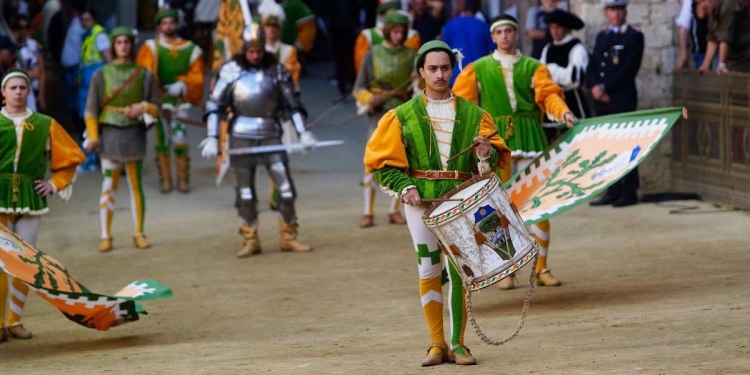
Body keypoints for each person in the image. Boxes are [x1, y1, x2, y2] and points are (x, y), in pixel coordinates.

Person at [364, 40, 511, 366]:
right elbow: (381, 164)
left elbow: (494, 162)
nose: (440, 74)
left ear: (452, 69)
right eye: (433, 68)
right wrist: (405, 187)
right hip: (421, 205)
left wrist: (486, 153)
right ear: (421, 72)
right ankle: (435, 343)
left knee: (459, 271)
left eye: (445, 68)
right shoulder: (400, 116)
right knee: (428, 268)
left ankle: (458, 344)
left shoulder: (475, 114)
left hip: (461, 203)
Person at [453, 15, 577, 289]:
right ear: (493, 37)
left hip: (531, 136)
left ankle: (542, 267)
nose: (505, 36)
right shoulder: (478, 68)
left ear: (516, 34)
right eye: (500, 32)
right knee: (496, 206)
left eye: (510, 31)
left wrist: (563, 112)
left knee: (540, 203)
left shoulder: (534, 67)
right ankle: (507, 269)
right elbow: (463, 106)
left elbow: (548, 95)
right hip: (495, 142)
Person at [200, 23, 316, 258]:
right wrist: (212, 137)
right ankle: (250, 239)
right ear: (244, 49)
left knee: (286, 190)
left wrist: (302, 132)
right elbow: (215, 105)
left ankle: (288, 237)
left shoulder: (277, 70)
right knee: (245, 193)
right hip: (241, 135)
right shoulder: (231, 70)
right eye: (251, 51)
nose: (255, 55)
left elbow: (291, 104)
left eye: (258, 51)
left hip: (271, 134)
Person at [0, 70, 85, 343]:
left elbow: (68, 158)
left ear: (29, 91)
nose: (17, 91)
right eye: (12, 87)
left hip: (30, 196)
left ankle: (15, 321)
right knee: (0, 264)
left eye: (22, 87)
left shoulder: (45, 123)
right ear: (3, 92)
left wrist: (55, 183)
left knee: (26, 262)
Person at [83, 26, 161, 252]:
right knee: (109, 184)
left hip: (134, 133)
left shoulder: (144, 74)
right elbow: (91, 110)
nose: (123, 46)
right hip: (109, 132)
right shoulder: (101, 74)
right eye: (119, 42)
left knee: (136, 185)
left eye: (127, 42)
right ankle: (105, 234)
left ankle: (139, 232)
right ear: (113, 45)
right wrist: (94, 136)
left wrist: (144, 106)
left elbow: (157, 107)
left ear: (132, 45)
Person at [353, 11, 414, 228]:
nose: (399, 36)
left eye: (402, 32)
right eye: (395, 32)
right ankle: (367, 212)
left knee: (402, 161)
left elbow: (416, 88)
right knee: (372, 161)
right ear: (388, 31)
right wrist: (369, 98)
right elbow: (358, 87)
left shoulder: (411, 55)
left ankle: (394, 209)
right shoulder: (372, 54)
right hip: (378, 114)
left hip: (402, 112)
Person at [137, 8, 205, 194]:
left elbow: (197, 75)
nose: (168, 26)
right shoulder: (152, 48)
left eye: (172, 22)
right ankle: (165, 179)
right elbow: (144, 74)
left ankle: (183, 179)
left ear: (178, 24)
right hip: (158, 102)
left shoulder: (191, 50)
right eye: (165, 23)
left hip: (179, 102)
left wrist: (184, 83)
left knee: (179, 139)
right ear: (160, 26)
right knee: (161, 140)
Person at [587, 0, 644, 207]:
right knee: (608, 146)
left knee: (626, 144)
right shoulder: (603, 36)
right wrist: (594, 86)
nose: (616, 14)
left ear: (625, 11)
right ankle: (613, 190)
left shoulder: (633, 35)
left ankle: (629, 191)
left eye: (619, 9)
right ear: (606, 13)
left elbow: (629, 68)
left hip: (621, 98)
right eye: (612, 9)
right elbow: (593, 64)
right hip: (602, 100)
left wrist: (605, 88)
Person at [540, 9, 590, 142]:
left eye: (558, 27)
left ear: (567, 28)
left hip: (572, 101)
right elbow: (540, 74)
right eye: (551, 28)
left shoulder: (577, 48)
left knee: (576, 141)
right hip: (551, 102)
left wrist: (553, 70)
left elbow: (575, 79)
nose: (554, 31)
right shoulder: (548, 48)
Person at [354, 1, 421, 74]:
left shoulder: (411, 36)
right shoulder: (367, 35)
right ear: (382, 15)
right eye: (391, 13)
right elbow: (362, 70)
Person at [440, 0, 493, 86]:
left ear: (463, 8)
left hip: (455, 77)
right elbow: (492, 52)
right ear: (477, 9)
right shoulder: (484, 26)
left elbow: (441, 49)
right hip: (478, 77)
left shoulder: (450, 25)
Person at [698, 0, 750, 73]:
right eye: (699, 3)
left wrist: (721, 64)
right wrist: (705, 65)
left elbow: (725, 37)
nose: (702, 6)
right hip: (734, 60)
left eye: (704, 1)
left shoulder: (729, 4)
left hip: (744, 59)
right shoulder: (712, 8)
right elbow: (712, 38)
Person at [9, 15, 45, 112]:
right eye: (20, 27)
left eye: (27, 27)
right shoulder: (11, 47)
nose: (23, 30)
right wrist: (29, 73)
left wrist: (41, 95)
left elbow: (40, 72)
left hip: (34, 89)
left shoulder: (35, 45)